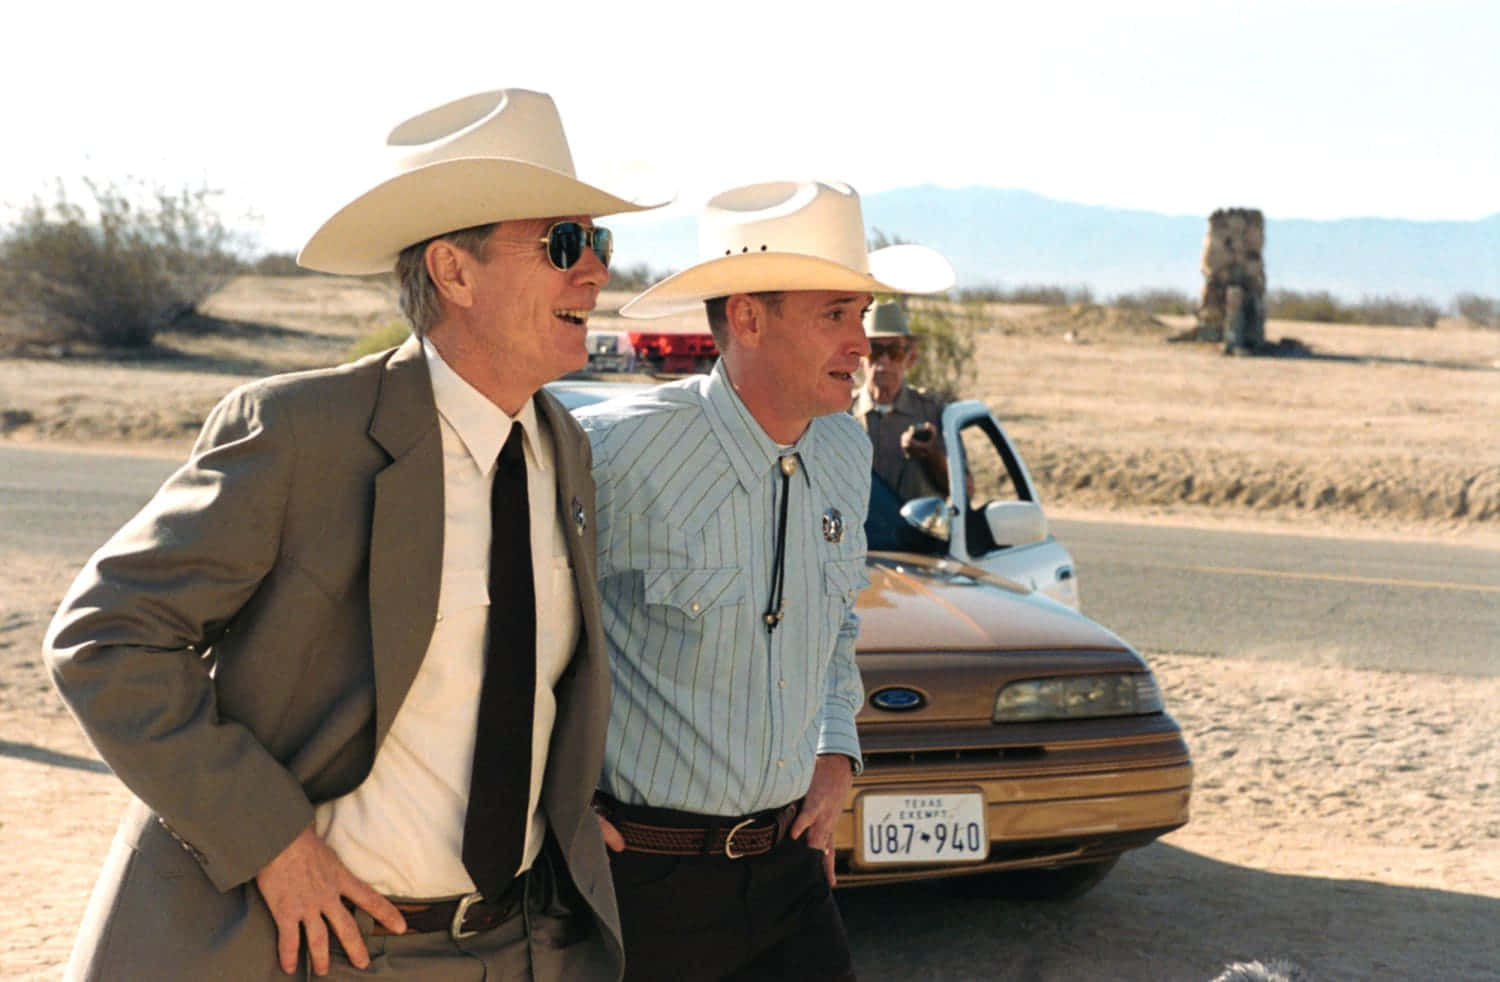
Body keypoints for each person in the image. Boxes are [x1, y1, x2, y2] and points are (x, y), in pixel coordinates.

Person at [44, 88, 664, 981]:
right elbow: (106, 639)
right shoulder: (304, 432)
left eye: (598, 243)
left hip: (512, 946)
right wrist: (272, 843)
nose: (597, 272)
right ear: (454, 271)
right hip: (317, 950)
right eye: (565, 243)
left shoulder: (563, 447)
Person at [574, 180, 953, 981]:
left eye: (861, 314)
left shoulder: (846, 453)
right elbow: (514, 631)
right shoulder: (608, 454)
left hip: (789, 869)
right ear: (746, 317)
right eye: (835, 315)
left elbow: (835, 623)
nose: (861, 342)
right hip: (643, 882)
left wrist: (835, 750)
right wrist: (547, 802)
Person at [848, 301, 950, 500]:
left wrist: (931, 455)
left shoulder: (933, 411)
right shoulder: (839, 414)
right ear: (860, 357)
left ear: (910, 358)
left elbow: (964, 491)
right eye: (874, 350)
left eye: (895, 352)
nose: (884, 361)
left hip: (914, 530)